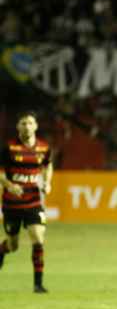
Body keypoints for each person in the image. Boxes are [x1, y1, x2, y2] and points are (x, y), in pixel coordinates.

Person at [0, 111, 53, 293]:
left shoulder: (44, 148)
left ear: (36, 126)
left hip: (34, 202)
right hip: (12, 203)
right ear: (18, 127)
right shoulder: (9, 148)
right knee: (12, 245)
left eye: (30, 123)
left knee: (38, 238)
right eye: (23, 123)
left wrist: (47, 182)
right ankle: (2, 250)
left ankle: (38, 284)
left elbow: (47, 164)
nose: (27, 126)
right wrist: (9, 184)